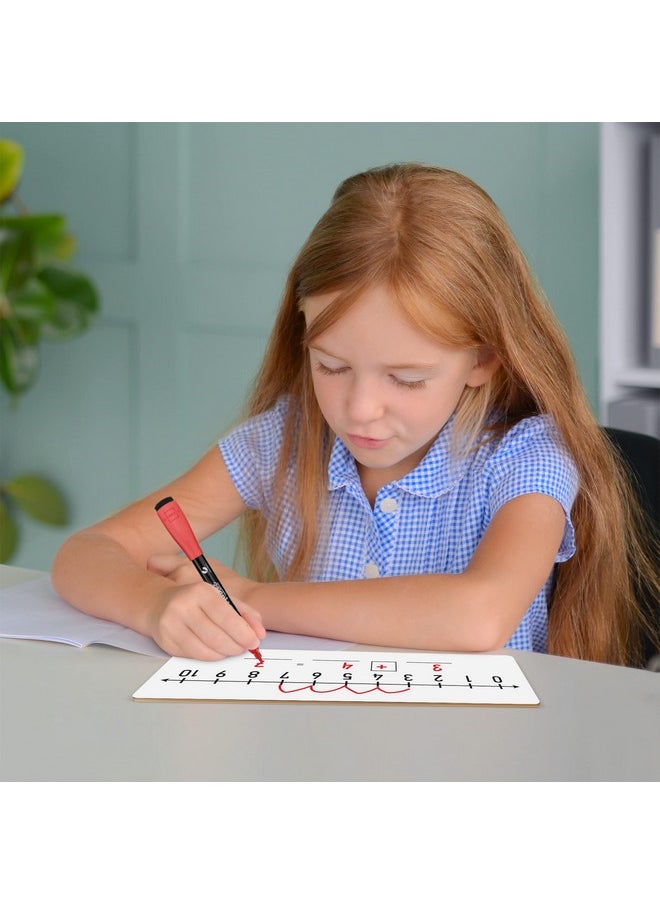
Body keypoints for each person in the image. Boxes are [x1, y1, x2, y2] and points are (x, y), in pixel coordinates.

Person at [52, 163, 659, 667]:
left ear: (484, 359)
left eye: (407, 378)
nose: (359, 409)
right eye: (332, 366)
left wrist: (256, 599)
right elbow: (88, 552)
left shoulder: (527, 457)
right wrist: (153, 606)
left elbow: (478, 614)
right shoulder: (283, 443)